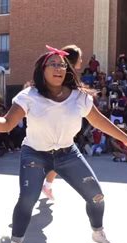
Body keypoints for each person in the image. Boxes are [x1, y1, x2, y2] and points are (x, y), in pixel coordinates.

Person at [0, 46, 127, 243]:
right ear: (42, 69)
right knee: (27, 200)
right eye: (53, 64)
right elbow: (6, 123)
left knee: (96, 196)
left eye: (62, 65)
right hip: (35, 155)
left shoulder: (79, 97)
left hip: (68, 154)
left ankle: (98, 232)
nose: (59, 68)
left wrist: (125, 138)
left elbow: (99, 121)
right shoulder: (28, 96)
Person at [41, 44, 83, 201]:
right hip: (56, 127)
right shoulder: (65, 82)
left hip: (61, 127)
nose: (82, 61)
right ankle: (46, 185)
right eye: (80, 58)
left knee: (57, 156)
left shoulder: (67, 81)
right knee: (58, 155)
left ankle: (47, 185)